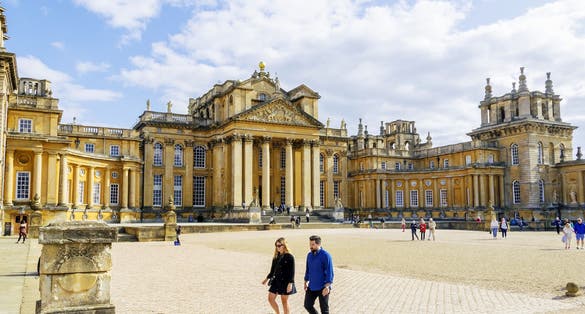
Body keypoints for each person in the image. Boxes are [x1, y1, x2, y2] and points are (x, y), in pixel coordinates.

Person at [262, 237, 296, 314]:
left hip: (286, 282)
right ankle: (277, 313)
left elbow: (292, 272)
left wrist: (290, 284)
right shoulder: (276, 257)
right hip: (276, 281)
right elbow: (272, 270)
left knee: (284, 301)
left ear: (284, 245)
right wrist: (266, 279)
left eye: (279, 245)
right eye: (276, 245)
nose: (277, 247)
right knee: (270, 299)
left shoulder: (290, 257)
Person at [304, 235, 333, 314]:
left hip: (323, 287)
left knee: (324, 310)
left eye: (313, 245)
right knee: (307, 305)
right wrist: (306, 280)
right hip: (312, 286)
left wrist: (327, 286)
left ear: (318, 244)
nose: (311, 247)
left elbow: (330, 272)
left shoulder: (326, 256)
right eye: (310, 244)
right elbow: (308, 269)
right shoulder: (309, 255)